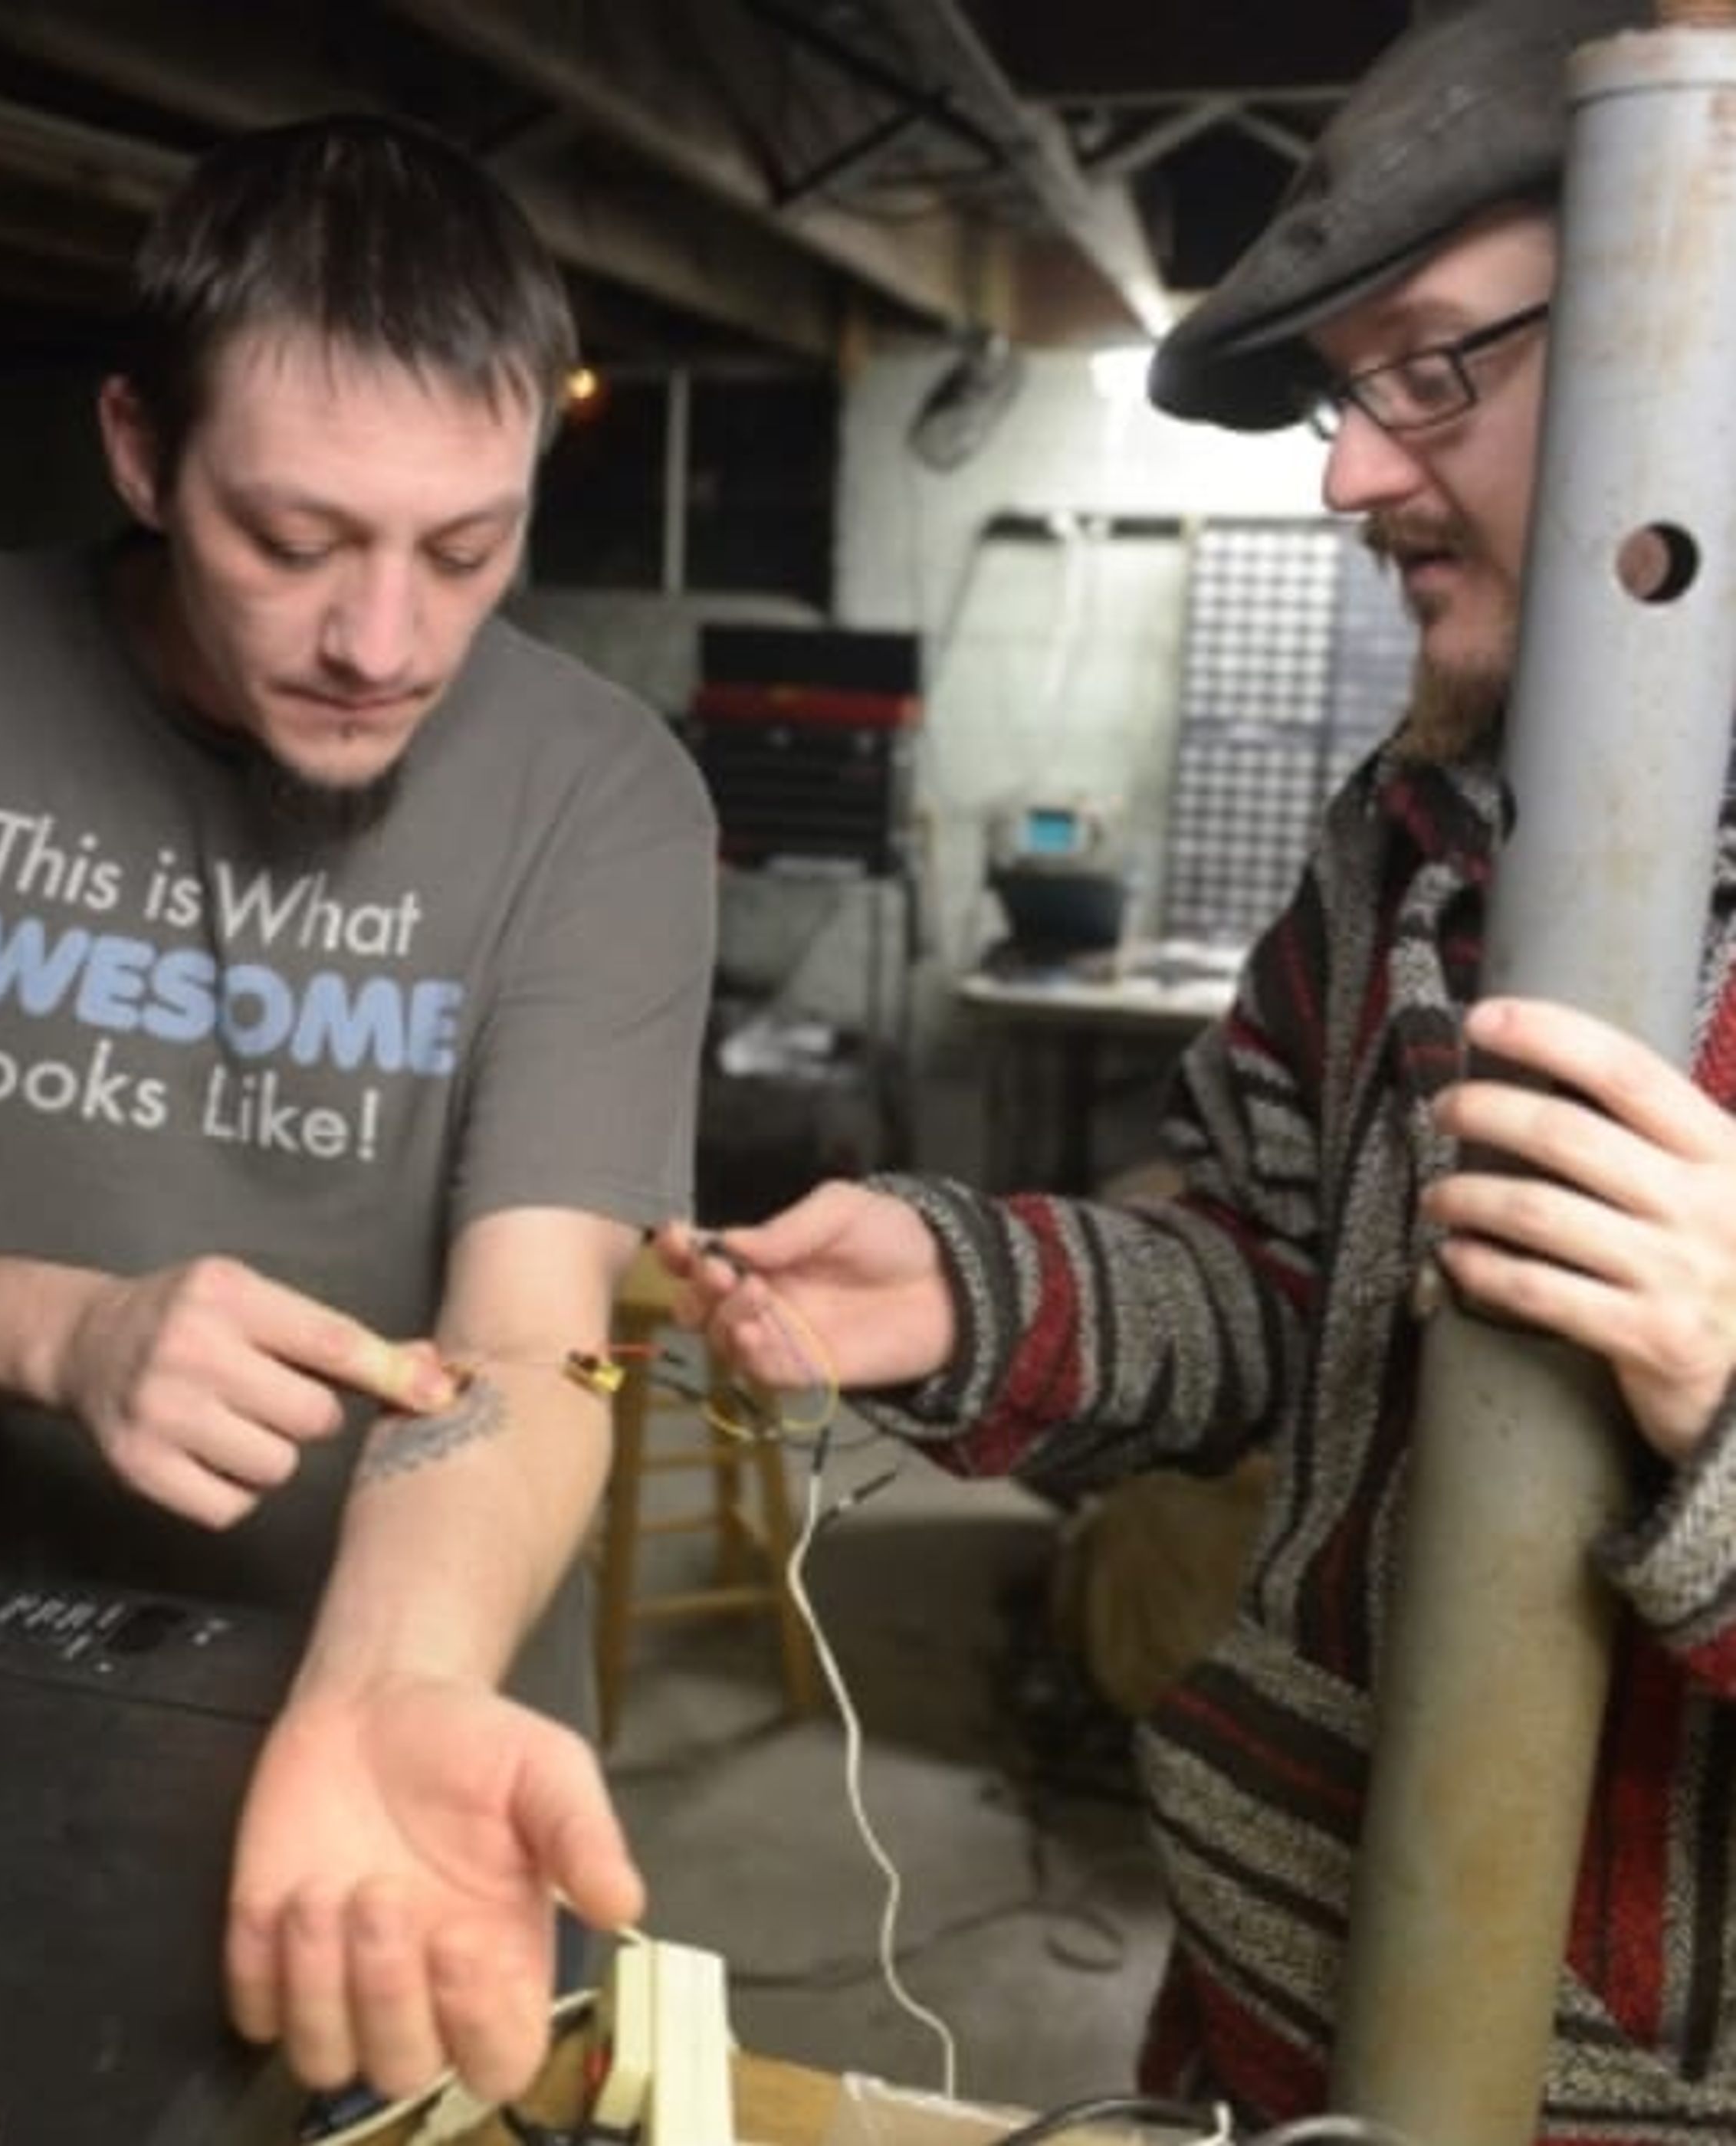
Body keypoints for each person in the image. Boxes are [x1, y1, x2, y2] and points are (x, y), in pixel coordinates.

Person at [659, 0, 1736, 2131]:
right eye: (1346, 393)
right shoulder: (1409, 844)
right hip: (1275, 2021)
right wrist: (970, 1289)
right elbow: (1274, 1292)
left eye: (1431, 371)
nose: (1347, 472)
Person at [0, 112, 715, 2105]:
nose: (383, 645)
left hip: (420, 1752)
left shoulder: (604, 795)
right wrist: (67, 1331)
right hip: (5, 1690)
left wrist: (385, 1690)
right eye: (294, 542)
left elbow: (531, 1339)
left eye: (467, 550)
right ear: (141, 452)